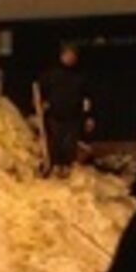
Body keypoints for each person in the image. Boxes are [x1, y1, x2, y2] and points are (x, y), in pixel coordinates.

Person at [37, 43, 93, 178]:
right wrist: (41, 105)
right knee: (55, 141)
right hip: (55, 115)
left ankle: (67, 168)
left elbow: (87, 98)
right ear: (62, 56)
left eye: (73, 55)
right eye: (68, 55)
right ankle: (55, 167)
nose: (71, 58)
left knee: (69, 143)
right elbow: (40, 92)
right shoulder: (51, 75)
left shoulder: (80, 77)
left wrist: (88, 116)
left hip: (73, 116)